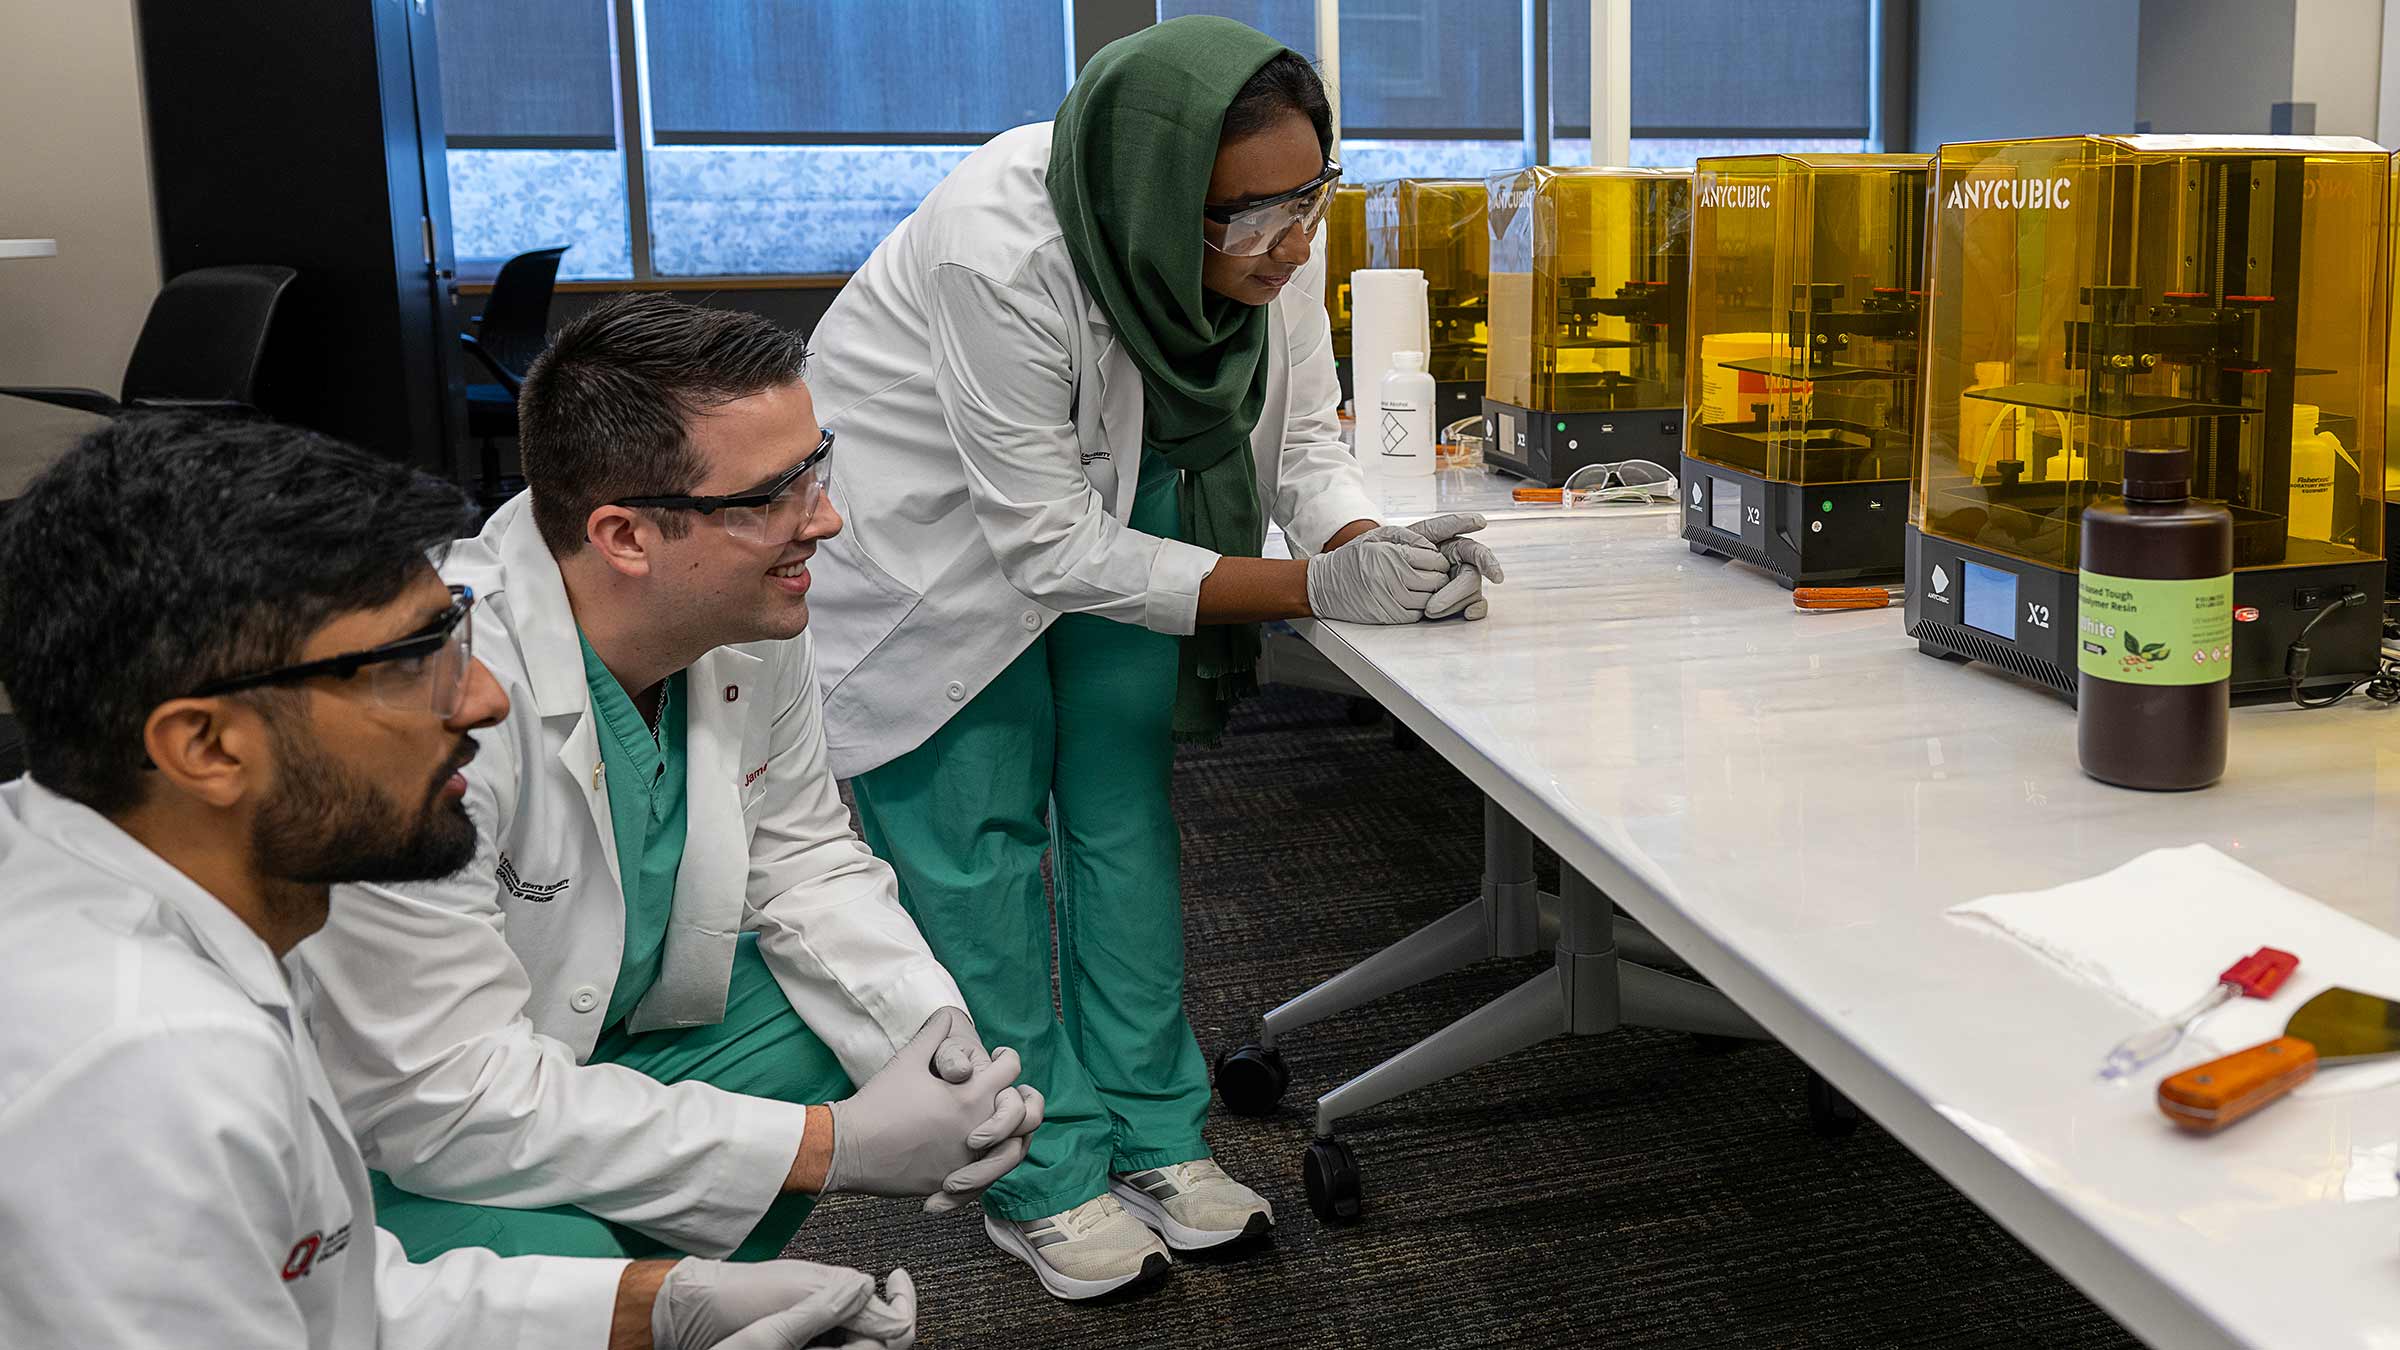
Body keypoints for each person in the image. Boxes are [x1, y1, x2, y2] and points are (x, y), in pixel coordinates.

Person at [804, 15, 1505, 1301]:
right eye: (1253, 220)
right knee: (982, 860)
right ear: (1159, 194)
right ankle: (1041, 1170)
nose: (1291, 247)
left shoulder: (1273, 228)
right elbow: (1042, 543)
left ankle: (1156, 1131)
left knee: (1123, 822)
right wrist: (1309, 584)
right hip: (935, 555)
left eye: (1314, 203)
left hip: (1124, 518)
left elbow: (1302, 442)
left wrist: (1369, 545)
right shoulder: (999, 247)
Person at [0, 413, 918, 1348]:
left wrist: (646, 1312)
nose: (480, 699)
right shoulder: (137, 1068)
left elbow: (342, 1302)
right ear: (204, 747)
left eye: (453, 633)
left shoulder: (131, 893)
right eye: (408, 664)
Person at [298, 296, 1041, 1267]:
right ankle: (607, 1284)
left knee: (841, 1020)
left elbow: (805, 859)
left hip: (583, 1035)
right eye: (774, 495)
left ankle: (647, 1272)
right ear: (626, 537)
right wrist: (829, 1149)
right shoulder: (433, 701)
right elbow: (439, 1098)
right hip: (378, 1138)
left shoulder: (739, 618)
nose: (826, 518)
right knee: (555, 1263)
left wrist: (942, 1055)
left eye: (818, 467)